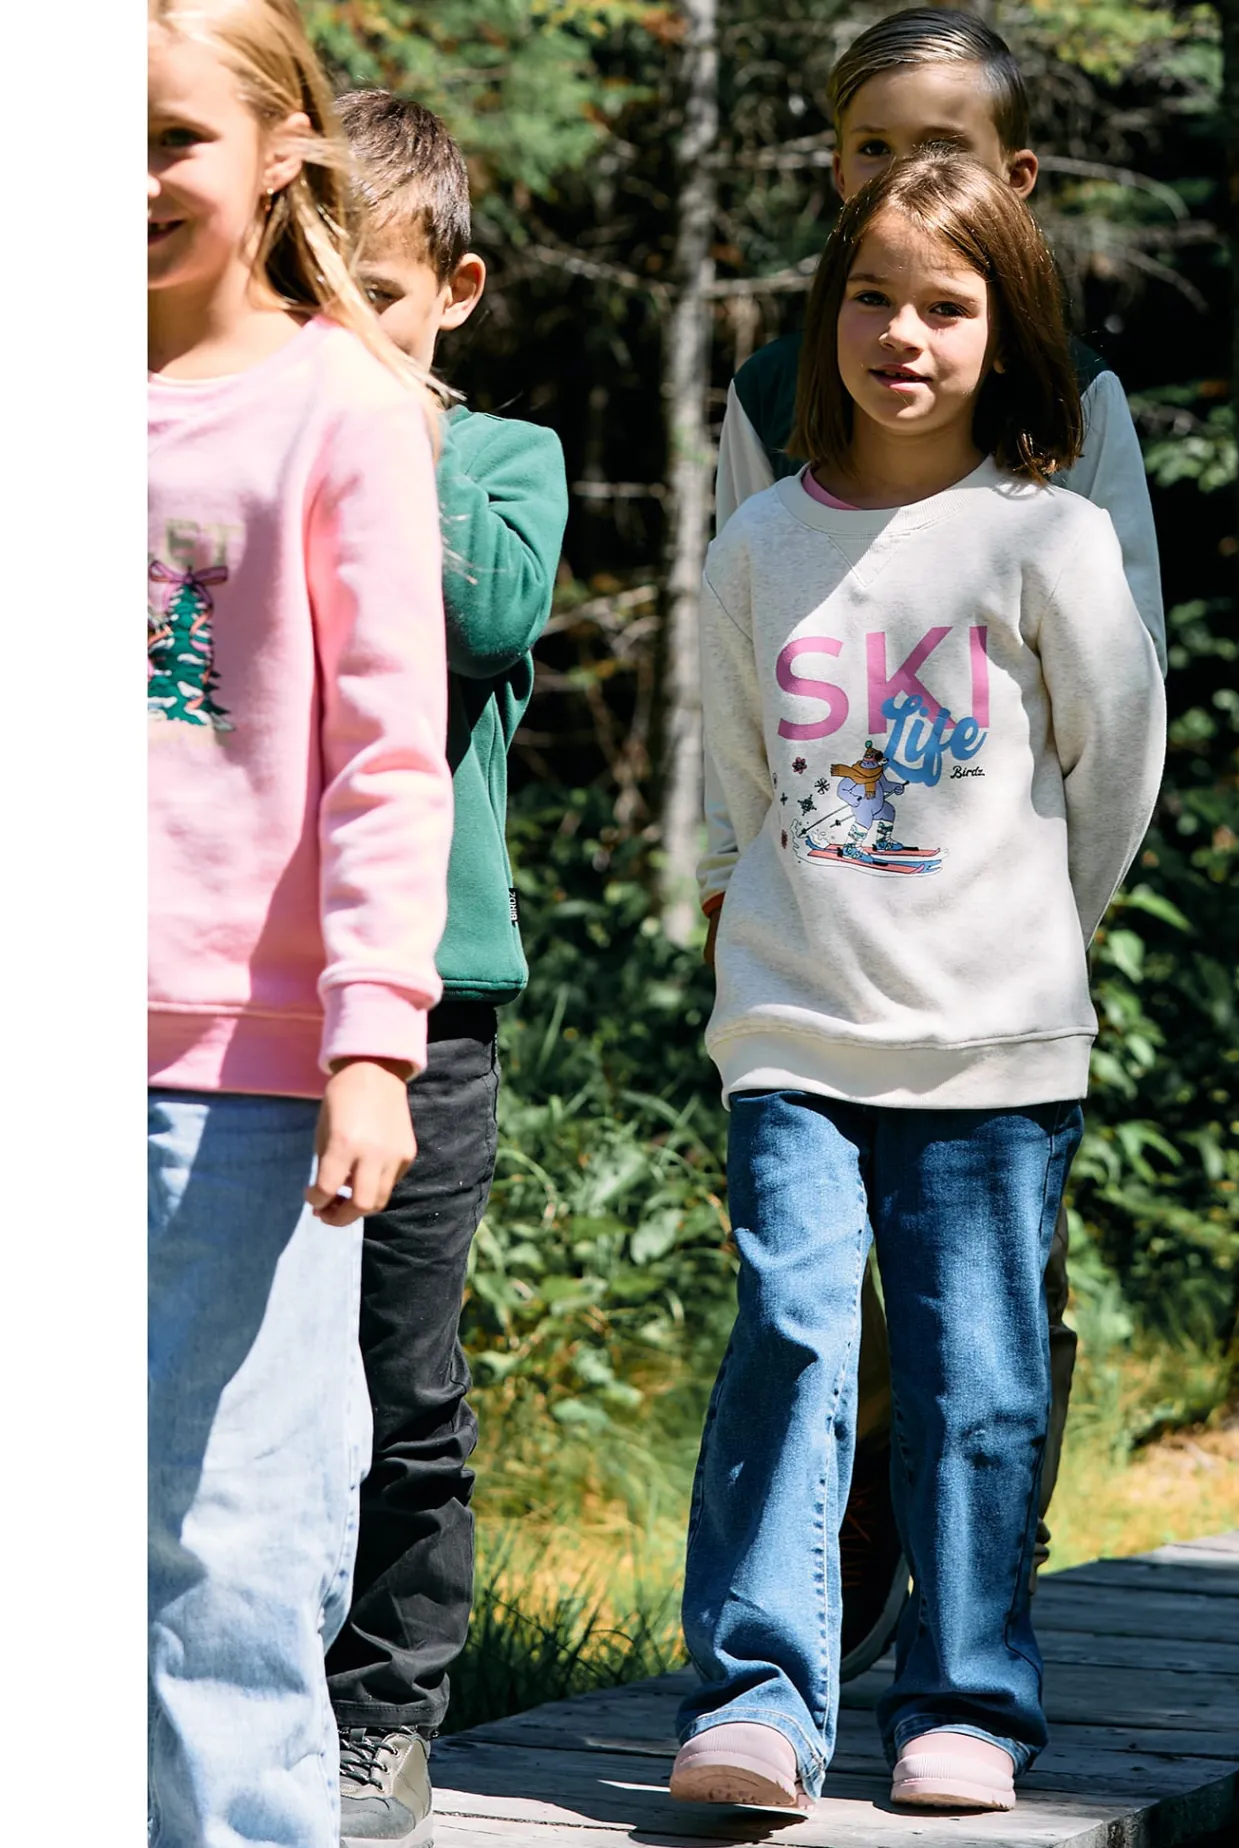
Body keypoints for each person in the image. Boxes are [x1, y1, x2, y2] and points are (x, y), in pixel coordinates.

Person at [671, 153, 1166, 1815]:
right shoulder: (761, 543)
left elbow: (1115, 768)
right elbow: (741, 781)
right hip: (796, 1028)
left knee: (975, 1375)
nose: (904, 334)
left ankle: (964, 1704)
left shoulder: (1051, 537)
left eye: (946, 306)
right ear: (829, 315)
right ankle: (758, 1699)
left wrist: (1028, 930)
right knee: (794, 1338)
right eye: (873, 299)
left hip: (993, 1043)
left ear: (1004, 330)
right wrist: (761, 926)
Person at [147, 5, 453, 1846]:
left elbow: (386, 758)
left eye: (169, 137)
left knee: (224, 1554)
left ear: (280, 154)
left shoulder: (341, 407)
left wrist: (370, 1041)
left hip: (243, 1088)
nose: (122, 183)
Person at [309, 90, 571, 1848]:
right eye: (317, 299)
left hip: (432, 997)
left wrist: (385, 428)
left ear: (456, 295)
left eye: (382, 305)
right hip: (265, 995)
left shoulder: (499, 460)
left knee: (401, 1377)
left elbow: (481, 618)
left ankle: (384, 1712)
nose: (347, 339)